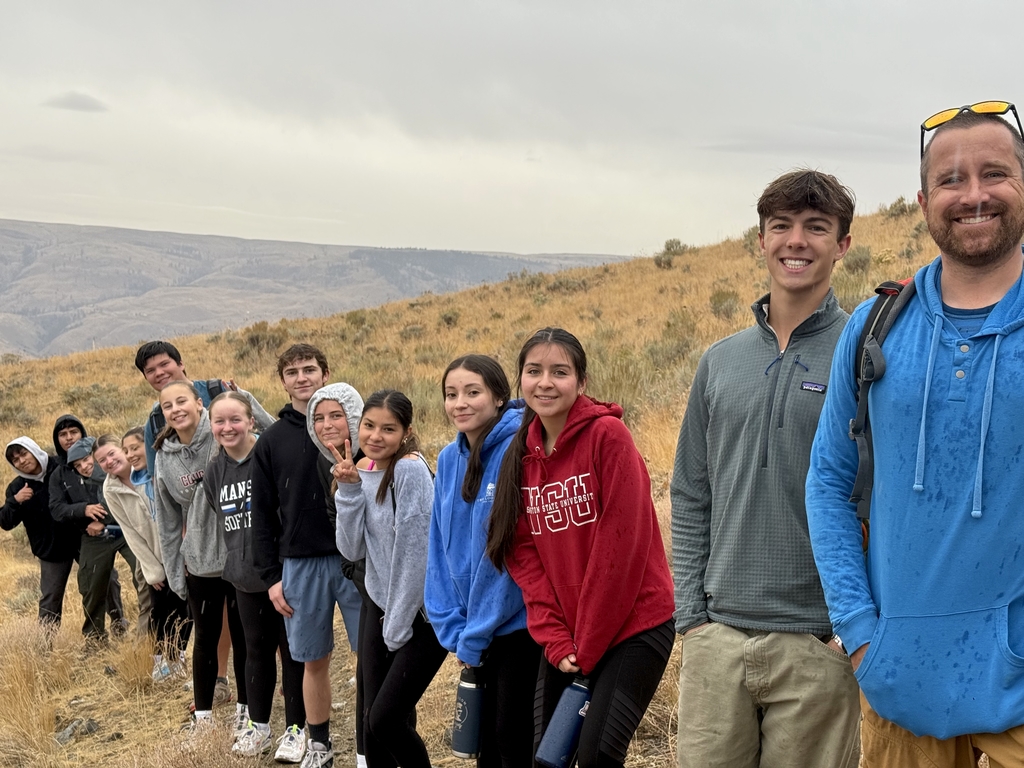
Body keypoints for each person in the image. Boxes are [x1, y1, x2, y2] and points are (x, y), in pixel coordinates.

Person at [807, 104, 1024, 767]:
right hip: (899, 685)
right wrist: (860, 630)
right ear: (927, 202)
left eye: (995, 173)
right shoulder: (875, 327)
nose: (975, 194)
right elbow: (828, 480)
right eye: (952, 180)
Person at [670, 169, 860, 767]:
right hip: (716, 640)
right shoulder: (720, 362)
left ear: (842, 245)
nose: (796, 241)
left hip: (817, 645)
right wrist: (691, 619)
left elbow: (881, 499)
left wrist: (847, 629)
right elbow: (690, 492)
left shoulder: (865, 353)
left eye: (816, 227)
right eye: (781, 226)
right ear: (760, 239)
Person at [486, 328, 676, 768]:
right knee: (547, 759)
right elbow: (522, 554)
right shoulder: (522, 451)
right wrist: (555, 637)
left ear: (582, 382)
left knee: (596, 757)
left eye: (560, 372)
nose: (545, 383)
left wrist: (586, 647)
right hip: (569, 639)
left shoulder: (608, 438)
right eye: (534, 371)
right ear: (521, 379)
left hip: (634, 627)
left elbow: (620, 550)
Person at [249, 344, 363, 768]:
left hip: (356, 561)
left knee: (369, 655)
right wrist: (271, 575)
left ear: (326, 372)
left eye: (309, 369)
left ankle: (371, 744)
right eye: (292, 371)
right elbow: (260, 513)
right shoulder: (273, 440)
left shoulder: (357, 429)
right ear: (283, 380)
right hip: (300, 564)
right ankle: (319, 745)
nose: (301, 377)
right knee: (312, 660)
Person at [424, 355, 540, 768]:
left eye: (472, 393)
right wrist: (451, 624)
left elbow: (509, 559)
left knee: (512, 741)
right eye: (451, 394)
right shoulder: (446, 459)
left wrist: (475, 632)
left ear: (497, 398)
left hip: (517, 627)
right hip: (470, 629)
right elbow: (437, 549)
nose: (460, 403)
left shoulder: (519, 450)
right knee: (482, 748)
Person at [331, 389, 447, 768]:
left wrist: (395, 629)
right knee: (371, 725)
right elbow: (351, 550)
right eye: (368, 426)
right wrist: (347, 490)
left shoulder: (410, 470)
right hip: (382, 608)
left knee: (386, 719)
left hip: (420, 617)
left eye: (388, 428)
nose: (375, 436)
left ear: (406, 432)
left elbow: (416, 556)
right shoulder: (363, 471)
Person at [202, 392, 307, 761]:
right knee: (255, 651)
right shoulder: (215, 470)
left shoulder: (269, 455)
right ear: (211, 425)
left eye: (236, 419)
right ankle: (259, 727)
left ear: (251, 421)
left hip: (283, 572)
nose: (228, 427)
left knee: (293, 652)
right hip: (244, 576)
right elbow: (221, 514)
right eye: (220, 421)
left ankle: (298, 729)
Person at [152, 380, 248, 736]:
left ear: (198, 403)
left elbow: (263, 437)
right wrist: (176, 571)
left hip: (240, 552)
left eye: (182, 401)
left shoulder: (222, 429)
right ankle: (203, 717)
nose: (176, 409)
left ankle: (246, 710)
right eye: (167, 406)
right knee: (206, 637)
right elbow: (167, 518)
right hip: (200, 560)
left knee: (243, 637)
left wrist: (247, 399)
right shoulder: (164, 457)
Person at [95, 433, 189, 680]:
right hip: (152, 555)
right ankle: (161, 662)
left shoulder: (152, 466)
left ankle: (179, 658)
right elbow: (128, 531)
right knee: (159, 609)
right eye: (101, 460)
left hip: (180, 551)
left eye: (112, 453)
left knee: (184, 608)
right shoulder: (110, 488)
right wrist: (151, 568)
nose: (109, 461)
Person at [135, 340, 274, 471]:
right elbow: (156, 476)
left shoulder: (219, 391)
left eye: (164, 364)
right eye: (150, 371)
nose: (159, 373)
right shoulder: (156, 420)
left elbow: (271, 430)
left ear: (181, 364)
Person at [47, 414, 126, 638]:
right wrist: (83, 509)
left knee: (145, 575)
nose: (69, 438)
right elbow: (56, 508)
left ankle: (136, 628)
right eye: (63, 434)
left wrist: (104, 518)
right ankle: (94, 638)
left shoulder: (104, 459)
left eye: (74, 432)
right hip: (90, 535)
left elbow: (125, 489)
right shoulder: (59, 474)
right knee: (91, 583)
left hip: (123, 527)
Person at [1, 437, 81, 626]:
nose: (21, 461)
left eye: (23, 454)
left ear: (33, 449)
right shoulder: (17, 487)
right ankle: (45, 648)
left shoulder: (61, 466)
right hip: (50, 549)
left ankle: (118, 625)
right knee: (50, 599)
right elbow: (5, 522)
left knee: (105, 581)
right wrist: (15, 501)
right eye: (15, 460)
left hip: (81, 539)